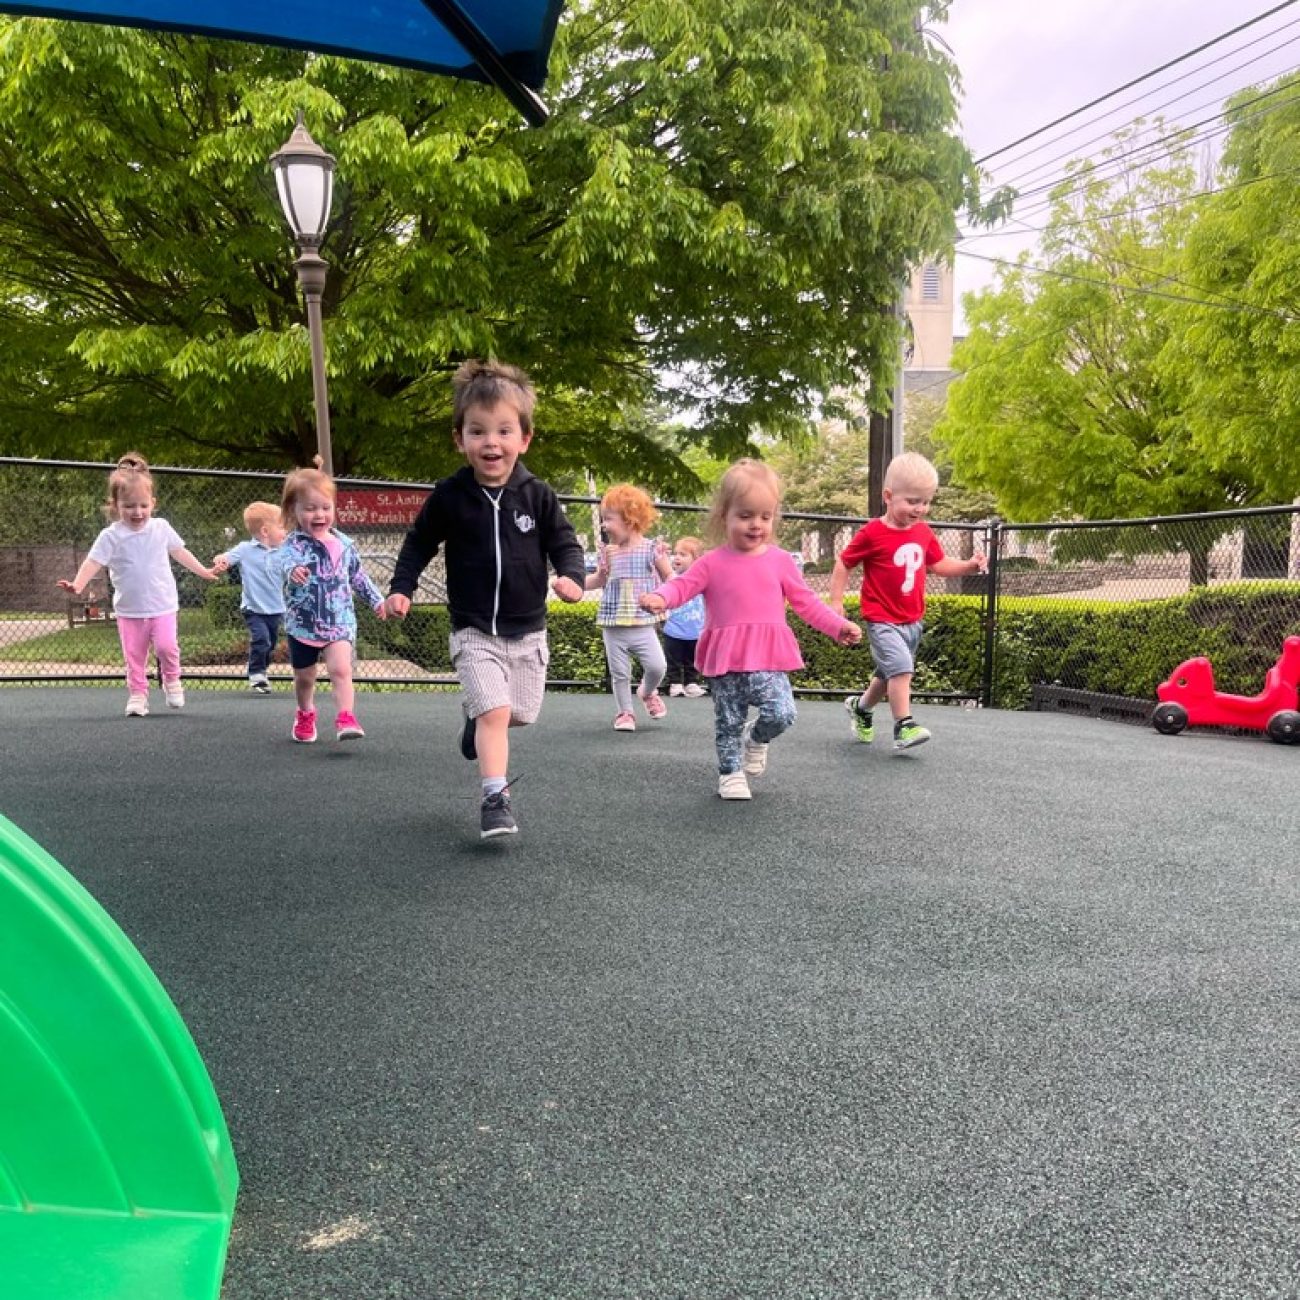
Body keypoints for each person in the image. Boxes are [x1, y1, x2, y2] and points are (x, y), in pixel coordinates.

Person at [385, 359, 586, 839]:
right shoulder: (450, 496)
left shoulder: (537, 495)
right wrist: (401, 587)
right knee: (494, 713)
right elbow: (418, 543)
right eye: (477, 432)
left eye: (503, 431)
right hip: (474, 628)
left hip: (528, 629)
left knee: (518, 714)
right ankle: (495, 798)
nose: (491, 443)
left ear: (524, 438)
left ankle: (475, 721)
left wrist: (571, 577)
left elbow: (565, 544)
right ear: (460, 439)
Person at [640, 459, 861, 800]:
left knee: (782, 713)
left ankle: (756, 739)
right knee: (728, 719)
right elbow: (681, 586)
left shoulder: (781, 561)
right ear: (723, 515)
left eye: (765, 516)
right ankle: (730, 773)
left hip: (769, 657)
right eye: (745, 515)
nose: (756, 524)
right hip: (726, 659)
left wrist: (837, 625)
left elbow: (806, 603)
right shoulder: (711, 562)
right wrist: (660, 597)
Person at [827, 451, 987, 750]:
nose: (920, 509)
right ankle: (904, 726)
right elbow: (844, 563)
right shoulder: (872, 533)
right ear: (888, 496)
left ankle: (861, 708)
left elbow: (939, 565)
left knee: (888, 676)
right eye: (912, 501)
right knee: (901, 667)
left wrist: (968, 565)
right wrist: (837, 604)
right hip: (881, 618)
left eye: (926, 502)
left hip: (912, 620)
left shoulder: (923, 532)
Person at [57, 453, 218, 717]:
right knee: (134, 655)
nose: (137, 512)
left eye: (143, 505)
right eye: (129, 506)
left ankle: (172, 680)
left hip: (162, 604)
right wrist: (77, 584)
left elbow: (180, 553)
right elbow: (92, 562)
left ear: (153, 503)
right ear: (115, 505)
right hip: (129, 610)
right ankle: (138, 695)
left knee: (167, 647)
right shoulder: (111, 536)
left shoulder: (161, 528)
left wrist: (203, 571)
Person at [278, 464, 387, 744]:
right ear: (294, 512)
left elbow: (358, 577)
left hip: (339, 621)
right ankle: (305, 712)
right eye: (310, 509)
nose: (319, 515)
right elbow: (279, 563)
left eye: (326, 507)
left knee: (341, 669)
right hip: (303, 625)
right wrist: (292, 571)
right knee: (305, 677)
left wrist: (377, 601)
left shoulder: (344, 545)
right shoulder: (293, 545)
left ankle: (346, 716)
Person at [583, 484, 672, 731]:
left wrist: (664, 598)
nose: (604, 525)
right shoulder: (608, 552)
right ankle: (625, 713)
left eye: (608, 519)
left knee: (657, 666)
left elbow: (671, 580)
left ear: (629, 520)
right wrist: (574, 584)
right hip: (613, 624)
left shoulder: (651, 548)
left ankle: (647, 691)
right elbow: (598, 580)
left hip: (642, 623)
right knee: (619, 672)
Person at [212, 501, 287, 693]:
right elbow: (227, 557)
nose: (285, 530)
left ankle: (261, 670)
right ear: (265, 531)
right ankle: (256, 674)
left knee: (270, 644)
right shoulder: (245, 549)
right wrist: (221, 560)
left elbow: (295, 569)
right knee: (261, 639)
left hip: (276, 608)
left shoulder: (284, 552)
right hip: (253, 608)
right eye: (281, 526)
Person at [662, 536, 707, 698]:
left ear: (696, 560)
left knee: (693, 659)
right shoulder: (672, 578)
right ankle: (674, 683)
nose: (677, 557)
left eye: (683, 554)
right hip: (673, 630)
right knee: (673, 659)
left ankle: (691, 682)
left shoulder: (702, 580)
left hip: (696, 631)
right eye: (676, 554)